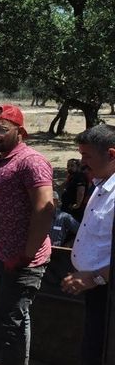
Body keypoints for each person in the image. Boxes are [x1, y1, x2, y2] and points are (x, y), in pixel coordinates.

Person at [0, 104, 54, 365]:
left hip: (24, 261)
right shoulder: (4, 161)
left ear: (20, 132)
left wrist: (24, 256)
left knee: (13, 321)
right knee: (6, 317)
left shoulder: (31, 162)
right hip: (4, 256)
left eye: (2, 129)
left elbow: (45, 210)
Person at [61, 124, 115, 365]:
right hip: (96, 289)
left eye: (87, 155)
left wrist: (93, 278)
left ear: (112, 154)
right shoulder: (101, 185)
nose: (82, 162)